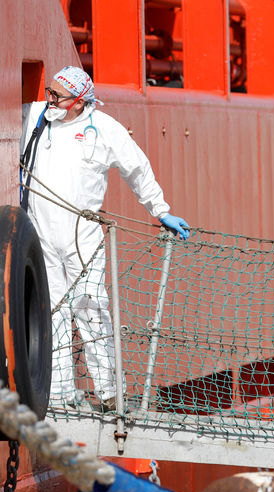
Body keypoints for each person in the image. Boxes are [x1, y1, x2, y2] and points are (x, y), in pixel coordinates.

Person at [19, 66, 190, 411]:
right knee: (49, 310)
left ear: (79, 101)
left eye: (58, 96)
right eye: (49, 93)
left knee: (90, 306)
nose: (49, 100)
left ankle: (110, 390)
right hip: (41, 229)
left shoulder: (104, 131)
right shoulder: (36, 117)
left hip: (82, 233)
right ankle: (61, 393)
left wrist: (160, 210)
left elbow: (137, 169)